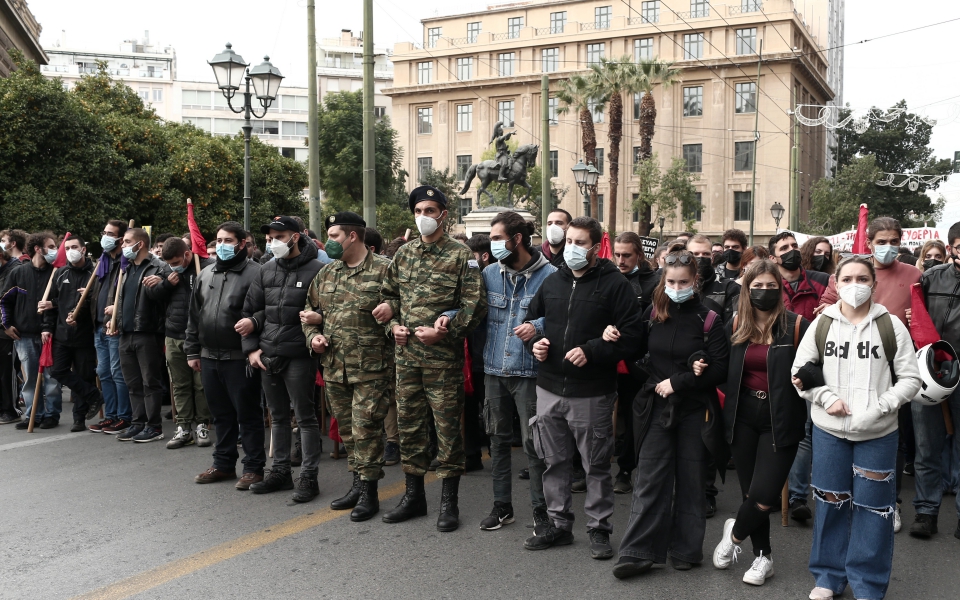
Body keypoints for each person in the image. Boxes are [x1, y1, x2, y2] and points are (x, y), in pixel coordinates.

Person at [792, 256, 921, 600]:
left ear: (874, 284)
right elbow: (800, 373)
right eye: (847, 278)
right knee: (830, 503)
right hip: (830, 431)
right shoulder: (821, 325)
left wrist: (881, 407)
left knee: (874, 511)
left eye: (862, 278)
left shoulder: (890, 326)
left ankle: (868, 583)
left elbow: (911, 379)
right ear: (835, 282)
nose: (855, 284)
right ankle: (828, 577)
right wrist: (824, 397)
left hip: (878, 434)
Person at [522, 216, 644, 559]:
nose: (572, 248)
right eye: (569, 241)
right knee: (554, 461)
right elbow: (532, 325)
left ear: (596, 246)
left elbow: (634, 339)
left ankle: (599, 529)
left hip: (592, 392)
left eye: (580, 243)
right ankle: (559, 526)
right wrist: (536, 344)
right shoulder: (551, 281)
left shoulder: (615, 284)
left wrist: (593, 351)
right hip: (548, 389)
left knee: (596, 465)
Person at [373, 185, 487, 532]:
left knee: (447, 431)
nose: (424, 217)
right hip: (407, 358)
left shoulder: (460, 255)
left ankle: (448, 502)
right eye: (419, 211)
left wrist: (447, 330)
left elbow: (475, 305)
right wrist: (392, 323)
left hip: (442, 360)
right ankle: (414, 497)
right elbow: (389, 296)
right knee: (409, 428)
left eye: (430, 210)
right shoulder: (403, 255)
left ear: (443, 215)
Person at [612, 249, 729, 579]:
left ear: (696, 281)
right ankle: (637, 551)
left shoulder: (709, 318)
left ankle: (686, 549)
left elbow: (720, 369)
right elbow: (634, 352)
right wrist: (613, 336)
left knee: (691, 481)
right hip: (656, 407)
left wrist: (681, 380)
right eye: (671, 281)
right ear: (663, 280)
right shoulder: (653, 312)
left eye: (684, 281)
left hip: (693, 410)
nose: (677, 286)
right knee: (649, 478)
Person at [817, 217, 921, 530]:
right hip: (849, 365)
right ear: (870, 243)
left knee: (894, 436)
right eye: (881, 242)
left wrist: (912, 317)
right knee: (843, 433)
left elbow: (924, 316)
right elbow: (825, 305)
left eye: (893, 241)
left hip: (892, 369)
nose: (888, 247)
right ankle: (841, 499)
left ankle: (891, 502)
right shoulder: (852, 273)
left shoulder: (914, 274)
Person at [712, 259, 809, 586]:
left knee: (764, 496)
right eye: (758, 287)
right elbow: (721, 367)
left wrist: (809, 377)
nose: (765, 292)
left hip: (780, 419)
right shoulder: (736, 323)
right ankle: (763, 557)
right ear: (747, 289)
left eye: (771, 286)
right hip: (741, 418)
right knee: (750, 493)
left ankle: (734, 536)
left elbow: (815, 368)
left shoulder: (797, 326)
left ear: (780, 289)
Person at [302, 211, 392, 521]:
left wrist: (392, 310)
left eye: (334, 236)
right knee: (349, 432)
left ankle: (370, 493)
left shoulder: (385, 271)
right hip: (334, 367)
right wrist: (313, 337)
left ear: (352, 236)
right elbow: (309, 312)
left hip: (372, 368)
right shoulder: (328, 273)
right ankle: (357, 484)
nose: (329, 242)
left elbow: (404, 309)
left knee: (366, 429)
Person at [477, 211, 555, 533]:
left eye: (497, 238)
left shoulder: (550, 276)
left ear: (516, 239)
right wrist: (447, 316)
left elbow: (563, 318)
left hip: (530, 373)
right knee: (497, 440)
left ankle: (541, 510)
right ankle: (502, 506)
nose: (492, 245)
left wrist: (536, 325)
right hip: (494, 370)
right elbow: (471, 308)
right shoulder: (490, 274)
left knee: (533, 444)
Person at [242, 216, 325, 502]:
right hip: (267, 355)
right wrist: (252, 349)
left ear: (296, 237)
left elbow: (330, 311)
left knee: (305, 417)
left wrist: (320, 321)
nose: (272, 241)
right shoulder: (265, 271)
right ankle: (279, 472)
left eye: (279, 236)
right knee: (277, 417)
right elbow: (250, 311)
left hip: (300, 355)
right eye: (269, 237)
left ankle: (308, 477)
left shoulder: (319, 270)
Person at [186, 222, 266, 490]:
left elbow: (268, 311)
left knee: (248, 414)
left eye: (228, 240)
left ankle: (254, 467)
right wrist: (192, 350)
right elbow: (194, 316)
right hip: (209, 356)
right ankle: (223, 464)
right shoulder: (206, 273)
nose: (222, 245)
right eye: (219, 240)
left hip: (240, 356)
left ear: (242, 243)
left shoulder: (257, 273)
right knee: (220, 415)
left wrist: (254, 322)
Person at [911, 222, 960, 539]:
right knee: (926, 448)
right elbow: (915, 311)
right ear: (951, 247)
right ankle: (926, 512)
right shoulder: (931, 278)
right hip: (930, 373)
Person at [109, 228, 173, 443]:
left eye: (127, 242)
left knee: (150, 381)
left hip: (148, 332)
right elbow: (121, 298)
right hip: (125, 333)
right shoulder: (125, 269)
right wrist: (115, 319)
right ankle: (138, 422)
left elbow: (166, 297)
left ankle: (154, 426)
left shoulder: (159, 267)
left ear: (141, 244)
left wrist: (162, 283)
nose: (123, 246)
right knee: (132, 382)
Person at [611, 232, 662, 494]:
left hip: (636, 361)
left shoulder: (653, 282)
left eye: (627, 255)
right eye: (617, 254)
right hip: (604, 356)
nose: (621, 260)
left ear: (639, 255)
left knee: (633, 415)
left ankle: (626, 468)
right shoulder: (604, 277)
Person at [1, 231, 63, 429]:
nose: (54, 250)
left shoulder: (56, 273)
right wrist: (6, 325)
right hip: (24, 335)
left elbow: (61, 303)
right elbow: (4, 301)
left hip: (51, 334)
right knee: (29, 377)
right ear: (38, 248)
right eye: (51, 246)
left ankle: (52, 414)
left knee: (51, 378)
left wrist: (48, 325)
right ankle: (33, 414)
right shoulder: (18, 273)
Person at [42, 235, 103, 432]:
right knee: (57, 370)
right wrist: (47, 327)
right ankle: (93, 394)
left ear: (83, 249)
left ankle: (79, 418)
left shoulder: (95, 274)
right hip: (62, 335)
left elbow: (99, 305)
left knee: (83, 375)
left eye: (74, 247)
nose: (70, 250)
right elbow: (52, 304)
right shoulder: (60, 274)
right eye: (67, 247)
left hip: (84, 335)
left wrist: (89, 298)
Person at [160, 237, 214, 449]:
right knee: (180, 384)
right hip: (174, 334)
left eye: (176, 261)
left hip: (200, 337)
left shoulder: (208, 268)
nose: (173, 266)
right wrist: (165, 284)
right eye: (169, 263)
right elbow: (153, 296)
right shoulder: (166, 271)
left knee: (201, 385)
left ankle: (202, 424)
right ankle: (183, 426)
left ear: (187, 254)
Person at [88, 220, 132, 434]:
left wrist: (117, 309)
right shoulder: (102, 262)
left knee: (117, 372)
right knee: (103, 371)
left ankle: (124, 416)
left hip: (114, 326)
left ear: (121, 239)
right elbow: (97, 292)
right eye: (104, 232)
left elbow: (131, 295)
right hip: (99, 326)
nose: (105, 236)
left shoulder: (127, 264)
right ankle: (111, 415)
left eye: (110, 233)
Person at [463, 233, 491, 472]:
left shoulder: (491, 279)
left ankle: (496, 452)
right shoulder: (463, 279)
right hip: (466, 355)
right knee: (467, 406)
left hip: (485, 354)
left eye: (470, 258)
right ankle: (471, 454)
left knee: (489, 406)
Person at [770, 232, 829, 323]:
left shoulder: (823, 280)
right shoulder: (768, 286)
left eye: (794, 246)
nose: (791, 250)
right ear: (773, 258)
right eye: (784, 248)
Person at [0, 247, 20, 424]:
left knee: (7, 373)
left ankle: (10, 409)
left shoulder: (14, 270)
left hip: (7, 331)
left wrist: (5, 324)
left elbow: (8, 301)